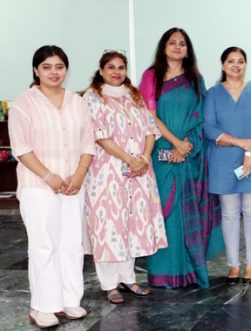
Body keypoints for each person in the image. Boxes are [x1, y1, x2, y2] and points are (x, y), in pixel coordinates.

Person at [9, 45, 95, 328]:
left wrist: (80, 175)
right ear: (36, 70)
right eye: (47, 67)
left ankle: (69, 300)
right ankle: (43, 306)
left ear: (66, 70)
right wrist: (49, 176)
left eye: (59, 67)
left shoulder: (77, 101)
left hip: (73, 184)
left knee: (71, 244)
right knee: (44, 245)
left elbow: (87, 142)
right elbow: (21, 148)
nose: (54, 72)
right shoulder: (24, 103)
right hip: (38, 185)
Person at [139, 27, 224, 288]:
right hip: (161, 149)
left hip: (189, 153)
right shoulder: (151, 76)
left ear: (188, 50)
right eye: (172, 43)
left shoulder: (195, 78)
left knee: (190, 214)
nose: (177, 47)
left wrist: (186, 146)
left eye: (182, 43)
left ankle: (190, 271)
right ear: (163, 47)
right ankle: (164, 274)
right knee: (164, 213)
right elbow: (149, 117)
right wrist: (175, 143)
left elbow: (202, 116)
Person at [83, 50, 168, 304]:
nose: (117, 72)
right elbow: (99, 135)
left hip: (140, 171)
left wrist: (143, 158)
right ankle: (109, 283)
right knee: (109, 225)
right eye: (111, 67)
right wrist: (129, 159)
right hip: (107, 172)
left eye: (121, 67)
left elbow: (150, 130)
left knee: (131, 222)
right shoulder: (92, 97)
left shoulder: (134, 95)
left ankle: (128, 278)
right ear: (101, 71)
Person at [203, 47, 251, 284]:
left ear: (245, 65)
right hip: (223, 160)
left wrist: (249, 151)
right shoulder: (213, 94)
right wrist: (239, 142)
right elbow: (209, 128)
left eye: (240, 61)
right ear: (223, 65)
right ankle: (233, 265)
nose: (236, 65)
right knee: (230, 213)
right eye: (231, 61)